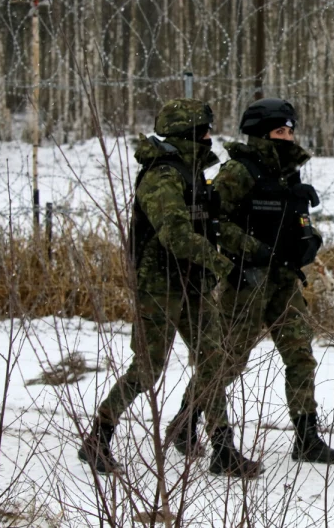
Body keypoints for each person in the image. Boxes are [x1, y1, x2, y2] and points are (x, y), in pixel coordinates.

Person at [78, 98, 260, 478]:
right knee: (147, 369)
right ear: (190, 133)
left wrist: (250, 248)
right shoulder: (163, 176)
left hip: (192, 283)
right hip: (159, 287)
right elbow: (176, 233)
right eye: (205, 130)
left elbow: (204, 224)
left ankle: (222, 448)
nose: (211, 136)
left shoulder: (191, 174)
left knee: (213, 361)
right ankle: (99, 436)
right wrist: (221, 263)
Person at [166, 98, 334, 465]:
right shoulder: (238, 172)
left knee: (300, 355)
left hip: (284, 281)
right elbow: (216, 224)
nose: (288, 136)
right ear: (262, 133)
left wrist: (309, 239)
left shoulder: (289, 172)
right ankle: (186, 421)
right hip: (246, 282)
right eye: (281, 130)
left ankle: (307, 437)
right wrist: (253, 249)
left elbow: (293, 221)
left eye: (291, 130)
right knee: (228, 361)